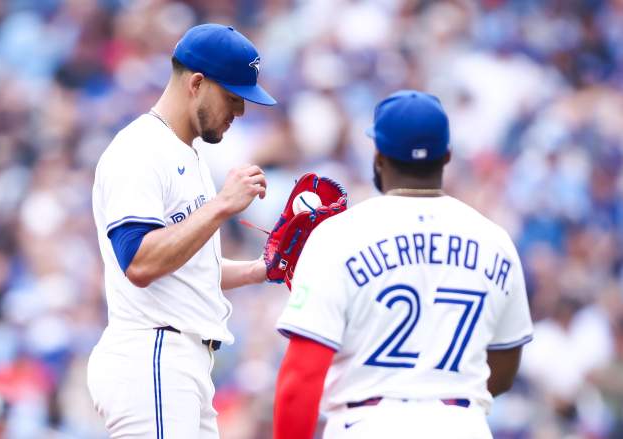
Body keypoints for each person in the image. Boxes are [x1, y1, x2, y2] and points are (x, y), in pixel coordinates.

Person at [272, 90, 534, 439]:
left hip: (369, 424)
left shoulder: (340, 235)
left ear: (379, 157)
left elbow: (301, 378)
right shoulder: (496, 240)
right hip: (461, 425)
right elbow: (503, 369)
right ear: (447, 156)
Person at [86, 24, 276, 439]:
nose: (240, 112)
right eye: (233, 97)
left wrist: (261, 269)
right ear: (196, 84)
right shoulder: (139, 150)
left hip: (178, 362)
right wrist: (222, 205)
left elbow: (187, 266)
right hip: (152, 354)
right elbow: (139, 261)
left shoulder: (185, 154)